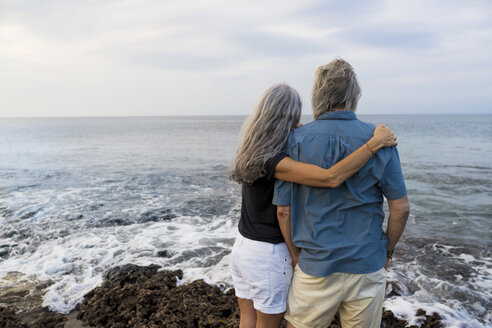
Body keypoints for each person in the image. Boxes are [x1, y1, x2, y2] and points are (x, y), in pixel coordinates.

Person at [229, 83, 399, 328]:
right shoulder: (276, 160)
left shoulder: (253, 150)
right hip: (269, 256)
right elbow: (330, 177)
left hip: (244, 248)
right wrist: (374, 144)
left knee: (248, 319)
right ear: (289, 115)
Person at [273, 59, 410, 328]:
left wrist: (296, 255)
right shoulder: (381, 138)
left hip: (316, 263)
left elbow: (283, 210)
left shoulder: (295, 140)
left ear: (318, 95)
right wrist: (388, 252)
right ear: (354, 95)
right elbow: (401, 208)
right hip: (367, 261)